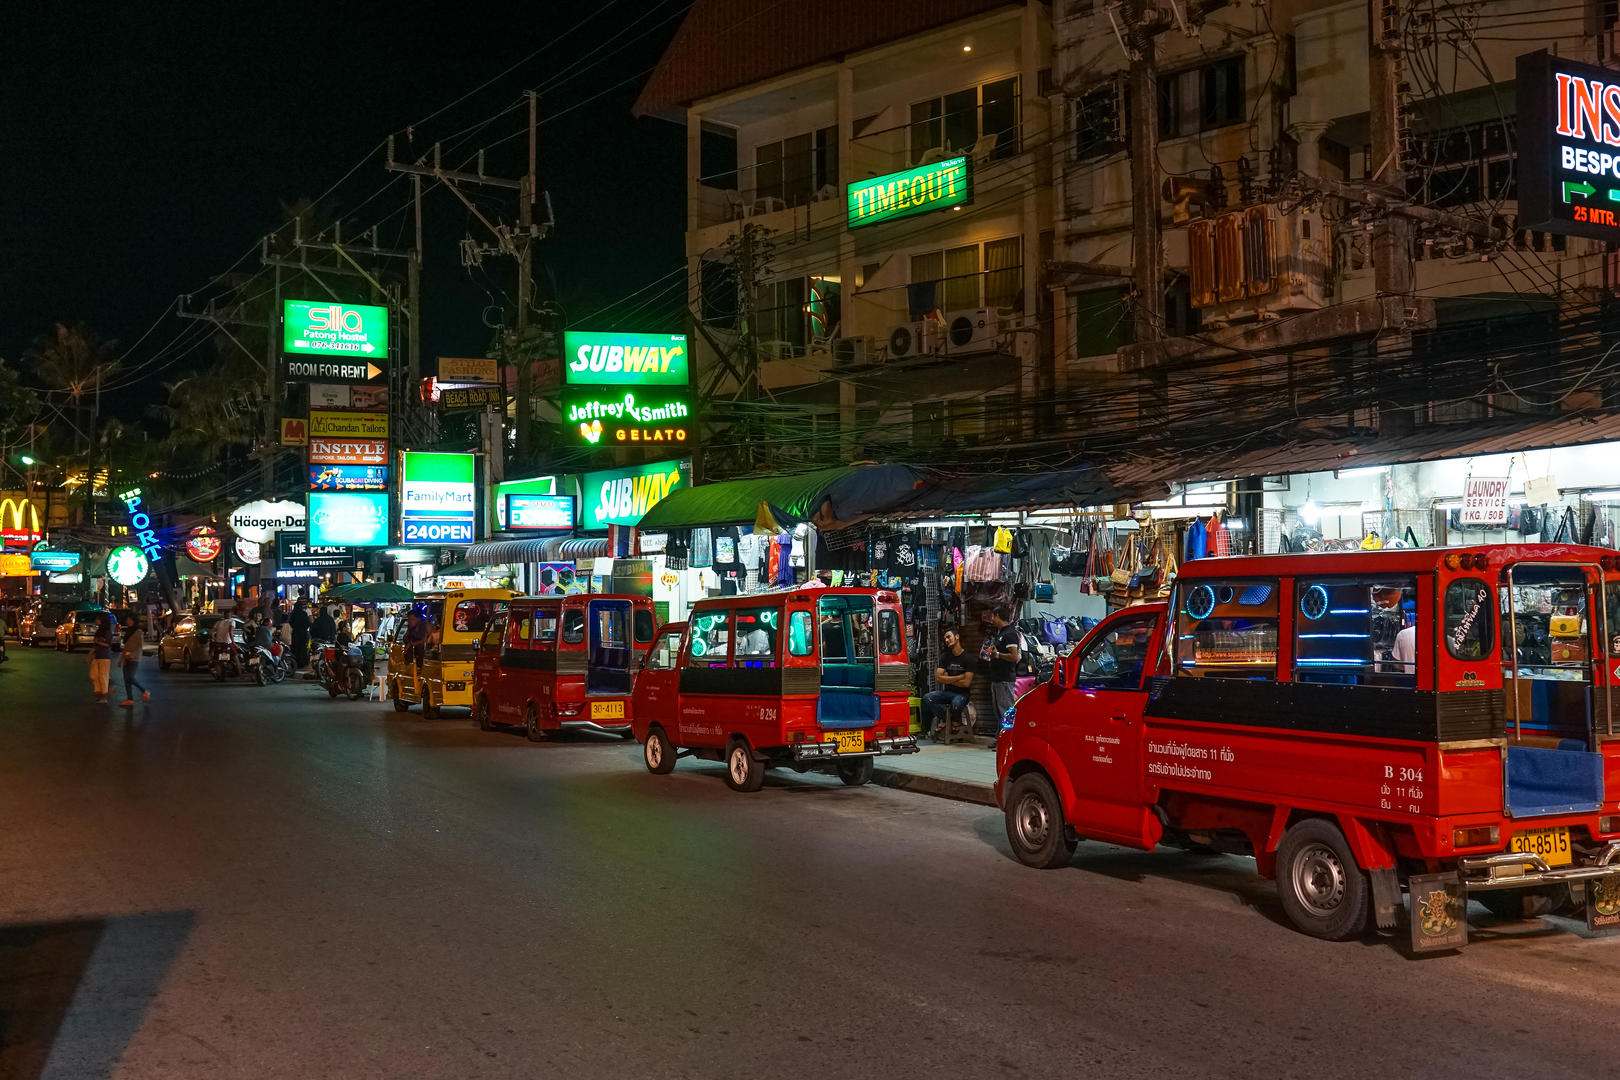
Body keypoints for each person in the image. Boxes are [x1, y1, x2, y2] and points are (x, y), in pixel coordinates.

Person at [923, 626, 975, 741]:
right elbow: (939, 678)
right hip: (947, 692)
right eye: (945, 638)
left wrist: (948, 678)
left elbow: (966, 683)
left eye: (948, 637)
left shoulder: (968, 658)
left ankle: (949, 721)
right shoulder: (945, 657)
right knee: (927, 698)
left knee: (956, 703)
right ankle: (951, 721)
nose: (946, 640)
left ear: (957, 637)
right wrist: (959, 677)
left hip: (962, 694)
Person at [986, 605, 1021, 737]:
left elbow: (1014, 656)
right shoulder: (1001, 633)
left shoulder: (1010, 634)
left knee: (1006, 710)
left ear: (998, 616)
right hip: (997, 678)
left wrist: (998, 655)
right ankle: (1002, 739)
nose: (992, 619)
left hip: (1005, 680)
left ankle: (1011, 738)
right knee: (998, 711)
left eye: (993, 617)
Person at [119, 617, 150, 706]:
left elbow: (140, 647)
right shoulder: (128, 631)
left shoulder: (138, 632)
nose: (128, 621)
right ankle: (130, 699)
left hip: (134, 658)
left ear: (134, 621)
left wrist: (132, 655)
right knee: (126, 679)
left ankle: (144, 691)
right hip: (126, 658)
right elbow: (125, 647)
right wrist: (121, 659)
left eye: (130, 620)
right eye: (127, 620)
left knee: (130, 677)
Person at [88, 613, 115, 703]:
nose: (96, 620)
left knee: (103, 677)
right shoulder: (99, 631)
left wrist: (98, 642)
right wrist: (88, 656)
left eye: (98, 619)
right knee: (94, 675)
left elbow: (108, 644)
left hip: (105, 656)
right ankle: (100, 691)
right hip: (97, 656)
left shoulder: (107, 631)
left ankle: (104, 697)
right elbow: (94, 645)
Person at [290, 600, 311, 669]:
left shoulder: (293, 614)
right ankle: (302, 662)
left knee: (295, 648)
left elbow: (291, 622)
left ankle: (295, 663)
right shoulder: (304, 614)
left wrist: (295, 627)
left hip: (296, 633)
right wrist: (304, 629)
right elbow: (308, 623)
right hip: (303, 633)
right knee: (303, 648)